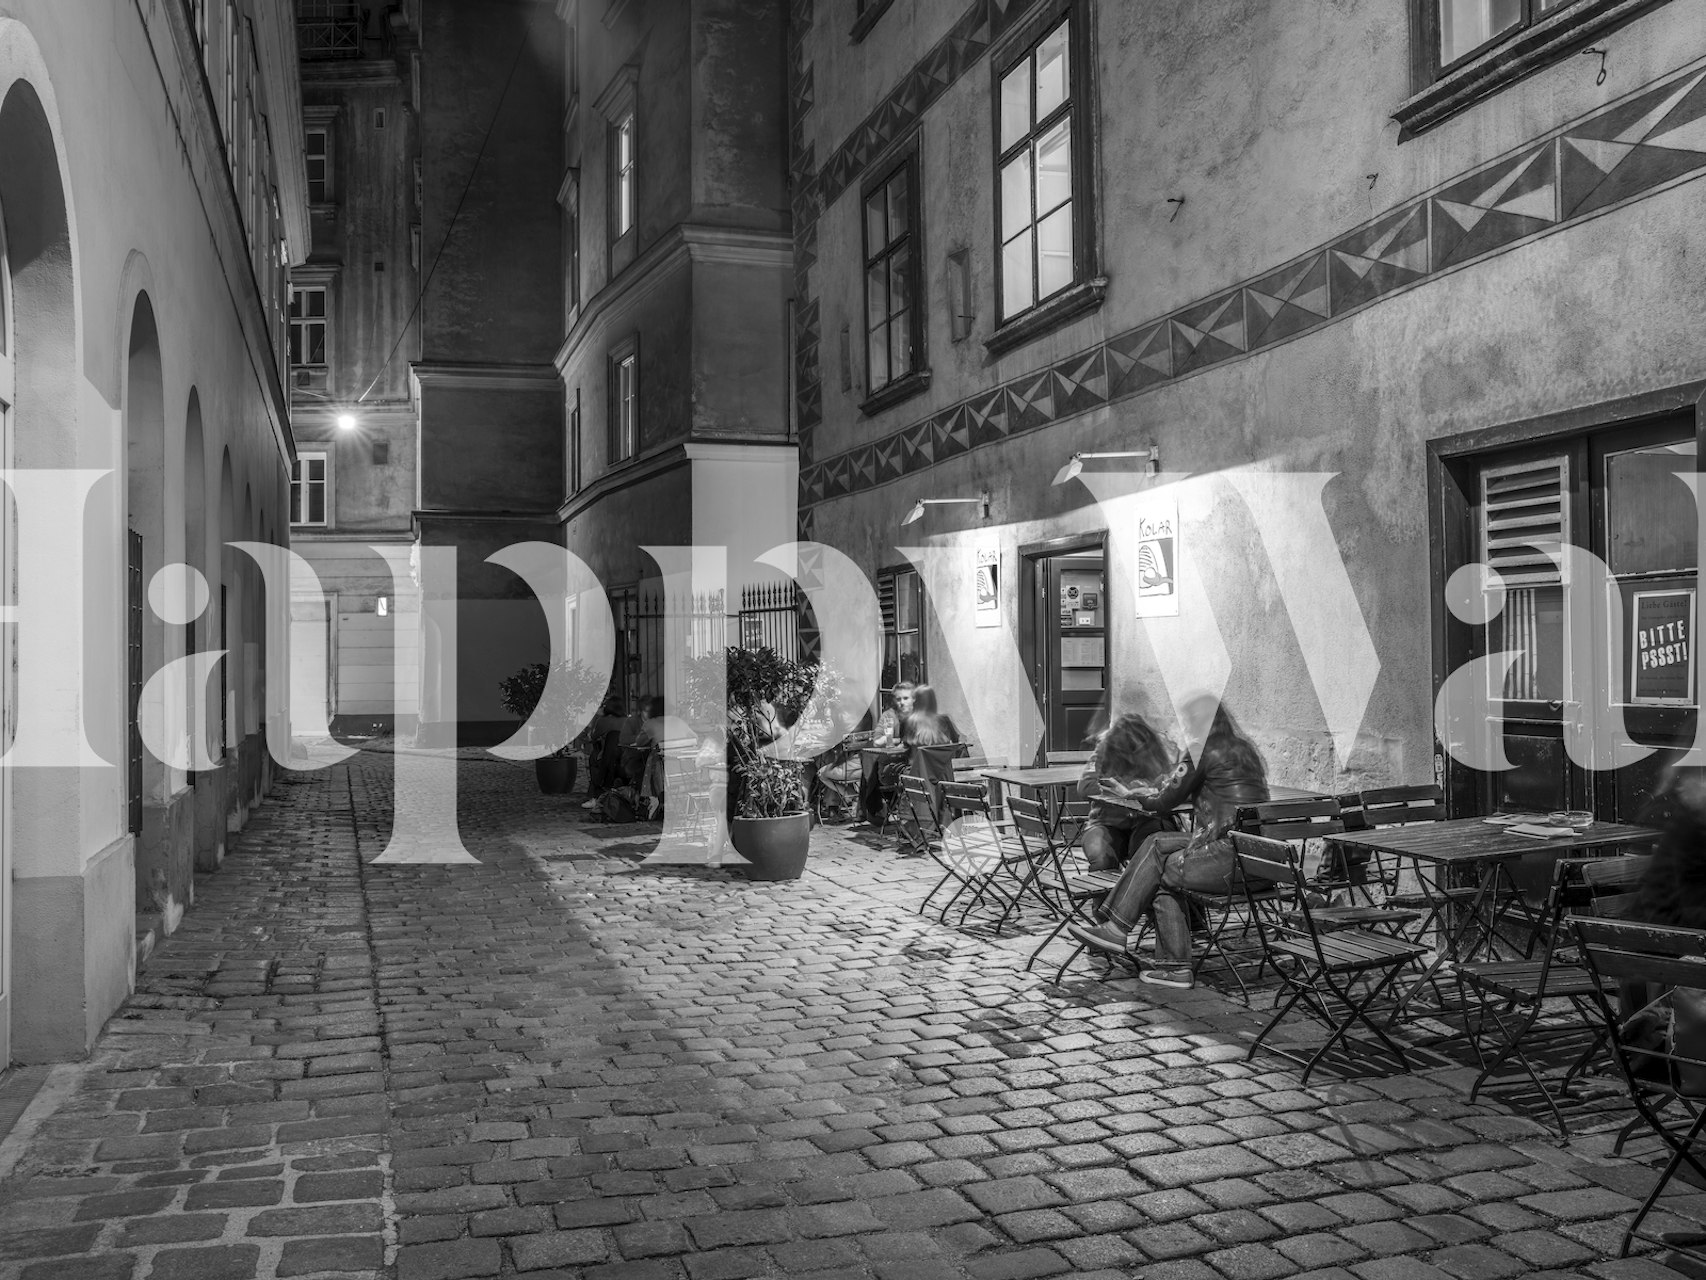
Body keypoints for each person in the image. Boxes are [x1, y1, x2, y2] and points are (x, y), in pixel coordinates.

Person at [1067, 696, 1269, 990]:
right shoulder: (1245, 749)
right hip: (1262, 861)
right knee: (1157, 848)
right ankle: (1128, 937)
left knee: (1158, 865)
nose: (1186, 726)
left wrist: (1134, 795)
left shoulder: (1200, 749)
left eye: (1189, 720)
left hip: (1226, 857)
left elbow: (1165, 800)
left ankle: (1140, 944)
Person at [1076, 713, 1180, 873]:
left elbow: (1170, 786)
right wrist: (1117, 791)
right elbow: (1085, 787)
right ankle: (1105, 890)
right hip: (1107, 822)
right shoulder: (1105, 749)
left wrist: (1148, 790)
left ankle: (1141, 889)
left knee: (1149, 854)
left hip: (1147, 820)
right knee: (1101, 859)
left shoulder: (1154, 751)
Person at [579, 696, 628, 810]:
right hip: (625, 758)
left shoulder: (603, 721)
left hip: (605, 758)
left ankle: (595, 795)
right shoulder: (628, 721)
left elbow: (592, 737)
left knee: (593, 758)